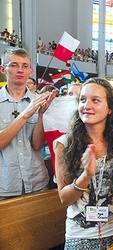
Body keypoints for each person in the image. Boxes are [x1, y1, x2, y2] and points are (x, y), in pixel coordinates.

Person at [54, 78, 113, 249]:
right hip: (80, 236)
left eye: (95, 100)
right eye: (82, 99)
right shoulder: (64, 144)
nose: (86, 105)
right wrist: (86, 175)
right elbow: (64, 198)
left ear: (110, 108)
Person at [0, 48, 57, 200]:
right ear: (3, 69)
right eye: (14, 65)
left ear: (30, 71)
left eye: (25, 66)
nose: (20, 70)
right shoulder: (31, 104)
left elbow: (37, 145)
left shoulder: (39, 100)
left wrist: (41, 114)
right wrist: (26, 114)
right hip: (5, 186)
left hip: (37, 182)